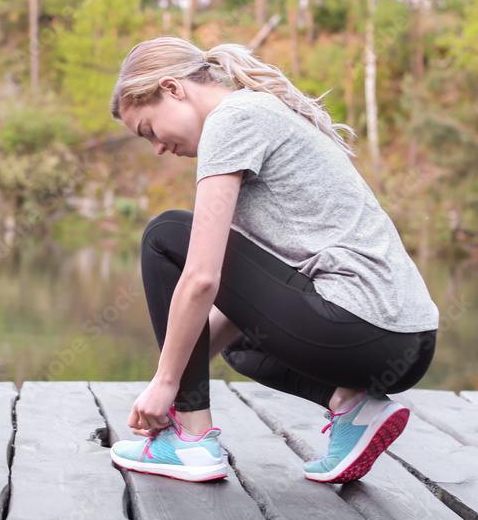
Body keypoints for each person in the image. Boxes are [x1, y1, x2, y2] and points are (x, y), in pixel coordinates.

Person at [107, 36, 439, 484]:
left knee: (165, 234)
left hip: (364, 322)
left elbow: (203, 276)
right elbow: (238, 303)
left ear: (172, 88)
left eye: (148, 130)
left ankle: (189, 441)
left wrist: (168, 385)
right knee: (239, 348)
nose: (158, 148)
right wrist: (178, 366)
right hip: (403, 341)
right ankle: (353, 408)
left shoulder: (231, 120)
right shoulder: (257, 113)